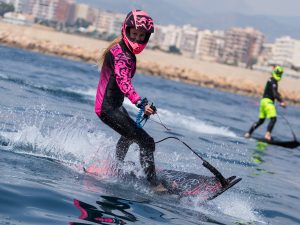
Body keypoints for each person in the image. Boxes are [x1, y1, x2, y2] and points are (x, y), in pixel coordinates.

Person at [94, 10, 166, 192]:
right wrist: (140, 103)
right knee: (146, 141)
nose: (137, 38)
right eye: (134, 33)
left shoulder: (123, 50)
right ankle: (154, 185)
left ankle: (115, 167)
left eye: (141, 36)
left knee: (129, 135)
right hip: (107, 108)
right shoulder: (122, 55)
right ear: (126, 30)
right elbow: (123, 81)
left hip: (113, 106)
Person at [245, 65, 286, 141]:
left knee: (261, 121)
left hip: (263, 102)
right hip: (268, 102)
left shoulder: (270, 79)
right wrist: (281, 102)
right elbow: (274, 94)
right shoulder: (274, 81)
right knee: (273, 119)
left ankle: (248, 133)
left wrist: (279, 96)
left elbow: (275, 92)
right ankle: (267, 135)